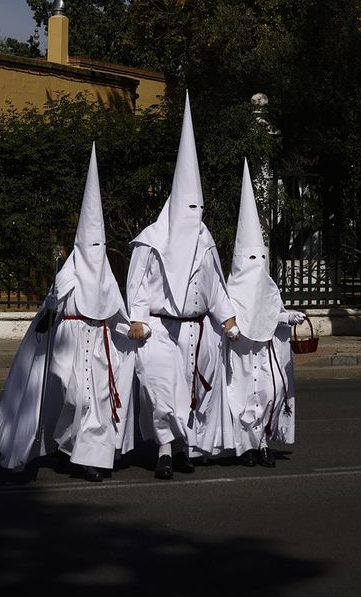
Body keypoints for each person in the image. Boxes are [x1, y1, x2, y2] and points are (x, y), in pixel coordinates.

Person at [0, 145, 138, 481]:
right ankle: (67, 446)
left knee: (96, 403)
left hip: (100, 348)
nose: (97, 255)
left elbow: (117, 313)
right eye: (92, 248)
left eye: (101, 248)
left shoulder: (107, 278)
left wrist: (132, 329)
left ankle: (90, 459)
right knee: (74, 400)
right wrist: (53, 303)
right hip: (68, 346)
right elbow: (49, 310)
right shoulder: (68, 275)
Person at [125, 96, 238, 480]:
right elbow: (137, 286)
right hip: (159, 329)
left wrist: (227, 317)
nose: (195, 216)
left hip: (197, 329)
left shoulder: (205, 240)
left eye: (198, 208)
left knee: (192, 392)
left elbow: (216, 285)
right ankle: (163, 451)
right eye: (188, 208)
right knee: (161, 391)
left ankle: (185, 447)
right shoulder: (151, 241)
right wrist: (137, 319)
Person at [224, 159, 305, 467]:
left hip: (266, 349)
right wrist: (229, 328)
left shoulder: (268, 285)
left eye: (262, 256)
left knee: (269, 392)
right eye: (252, 256)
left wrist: (289, 316)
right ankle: (245, 447)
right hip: (241, 352)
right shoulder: (230, 286)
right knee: (243, 397)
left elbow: (274, 313)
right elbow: (223, 314)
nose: (257, 261)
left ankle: (262, 442)